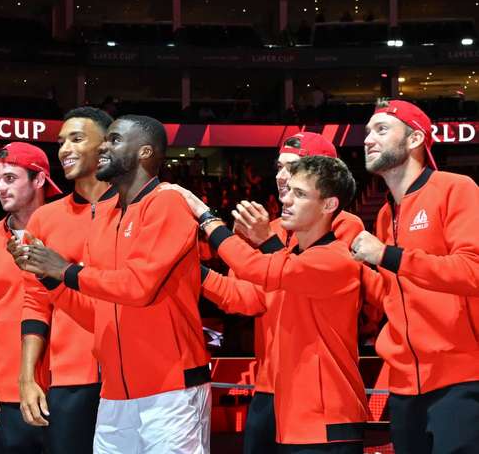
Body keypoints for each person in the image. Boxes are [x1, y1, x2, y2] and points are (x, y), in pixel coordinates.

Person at [17, 115, 211, 454]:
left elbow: (138, 287)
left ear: (144, 153)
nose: (105, 146)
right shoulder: (108, 218)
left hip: (170, 389)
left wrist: (65, 271)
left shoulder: (167, 204)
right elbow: (98, 314)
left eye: (115, 140)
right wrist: (49, 278)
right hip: (115, 393)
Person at [183, 156, 368, 452]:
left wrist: (208, 219)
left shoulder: (335, 258)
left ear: (329, 205)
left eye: (301, 194)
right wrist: (191, 270)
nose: (287, 200)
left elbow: (263, 269)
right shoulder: (293, 256)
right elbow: (247, 295)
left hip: (326, 419)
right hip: (292, 413)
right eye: (289, 190)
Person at [351, 99, 479, 453]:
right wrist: (354, 271)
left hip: (460, 379)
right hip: (404, 385)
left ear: (414, 140)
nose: (368, 139)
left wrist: (387, 256)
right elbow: (396, 295)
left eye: (381, 130)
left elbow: (473, 271)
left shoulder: (456, 188)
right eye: (366, 132)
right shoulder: (384, 215)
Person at [14, 107, 116, 454]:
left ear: (106, 146)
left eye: (76, 138)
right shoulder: (44, 219)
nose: (64, 149)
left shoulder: (134, 210)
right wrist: (28, 377)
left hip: (131, 376)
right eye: (61, 141)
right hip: (70, 379)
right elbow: (33, 301)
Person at [0, 142, 61, 453]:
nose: (1, 188)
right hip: (8, 393)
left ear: (39, 179)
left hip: (70, 388)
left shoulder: (72, 229)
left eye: (10, 178)